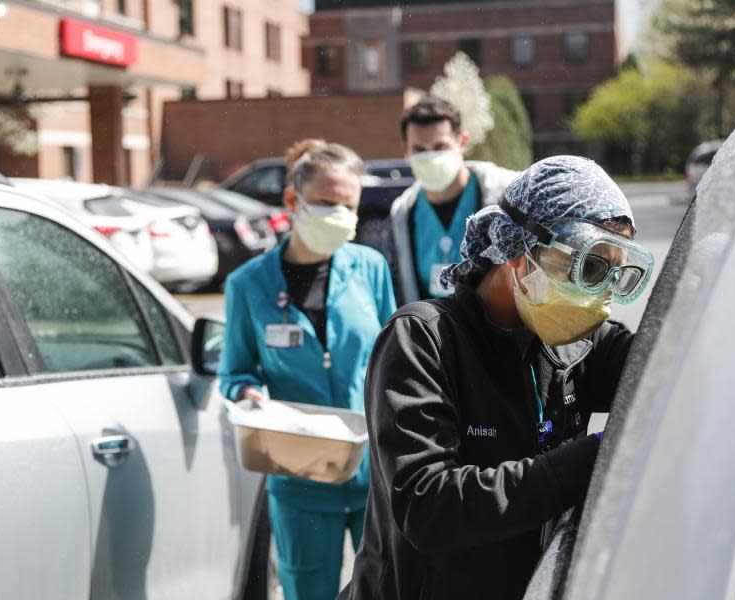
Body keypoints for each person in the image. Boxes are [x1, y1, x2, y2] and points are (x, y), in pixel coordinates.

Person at [342, 156, 654, 600]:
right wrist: (595, 456)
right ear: (521, 252)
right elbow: (428, 506)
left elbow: (670, 368)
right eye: (588, 268)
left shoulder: (577, 342)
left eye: (614, 275)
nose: (601, 296)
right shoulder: (422, 339)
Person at [219, 139, 397, 600]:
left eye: (348, 205)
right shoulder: (248, 284)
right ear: (293, 200)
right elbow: (235, 373)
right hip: (299, 477)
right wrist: (248, 395)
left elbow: (395, 360)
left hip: (373, 472)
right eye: (325, 203)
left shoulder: (370, 268)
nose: (339, 214)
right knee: (307, 591)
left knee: (384, 588)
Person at [391, 95, 520, 305]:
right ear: (406, 150)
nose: (430, 157)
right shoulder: (403, 212)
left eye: (440, 147)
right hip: (433, 332)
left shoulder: (505, 192)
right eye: (420, 150)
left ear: (462, 142)